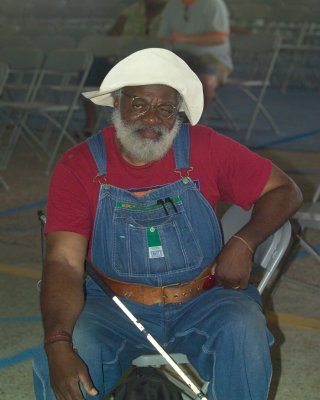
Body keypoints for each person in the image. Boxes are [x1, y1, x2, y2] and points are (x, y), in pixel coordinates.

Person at [32, 48, 302, 400]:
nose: (153, 119)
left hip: (204, 300)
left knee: (244, 329)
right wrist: (56, 342)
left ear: (178, 112)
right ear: (116, 103)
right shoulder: (78, 166)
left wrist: (244, 242)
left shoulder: (206, 147)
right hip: (113, 307)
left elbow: (286, 190)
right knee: (67, 356)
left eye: (165, 108)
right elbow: (64, 262)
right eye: (139, 104)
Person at [82, 0, 166, 138]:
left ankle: (135, 125)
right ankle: (90, 123)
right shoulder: (134, 9)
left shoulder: (173, 11)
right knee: (91, 68)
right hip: (122, 59)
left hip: (154, 63)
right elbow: (113, 35)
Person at [158, 0, 233, 113]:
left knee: (206, 79)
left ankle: (198, 121)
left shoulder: (213, 4)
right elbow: (163, 36)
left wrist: (184, 38)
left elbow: (220, 38)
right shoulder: (172, 4)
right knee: (153, 76)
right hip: (180, 55)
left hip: (213, 58)